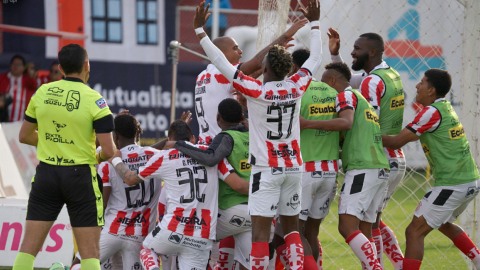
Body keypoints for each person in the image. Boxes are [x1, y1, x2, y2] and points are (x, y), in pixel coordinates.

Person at [194, 1, 321, 268]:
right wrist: (316, 24)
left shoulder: (255, 90)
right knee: (292, 230)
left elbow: (220, 60)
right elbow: (316, 59)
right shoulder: (298, 85)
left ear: (264, 69)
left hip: (264, 168)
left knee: (259, 234)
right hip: (294, 167)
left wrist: (199, 32)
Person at [14, 44, 116, 270]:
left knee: (27, 250)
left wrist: (55, 142)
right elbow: (109, 151)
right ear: (86, 65)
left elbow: (25, 136)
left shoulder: (42, 92)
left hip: (46, 175)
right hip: (80, 177)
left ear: (60, 68)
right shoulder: (95, 100)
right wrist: (94, 155)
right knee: (89, 255)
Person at [381, 69, 480, 270]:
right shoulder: (444, 108)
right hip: (469, 180)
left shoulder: (430, 113)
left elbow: (396, 142)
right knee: (441, 223)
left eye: (422, 82)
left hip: (453, 183)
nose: (417, 86)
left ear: (431, 90)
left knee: (414, 231)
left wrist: (364, 131)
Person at [109, 120, 235, 270]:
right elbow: (238, 184)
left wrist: (115, 159)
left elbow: (129, 178)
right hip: (201, 235)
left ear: (169, 141)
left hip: (173, 229)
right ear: (193, 139)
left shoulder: (165, 157)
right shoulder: (212, 155)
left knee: (147, 249)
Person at [329, 29, 406, 268]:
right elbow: (347, 81)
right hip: (393, 158)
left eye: (357, 49)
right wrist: (335, 57)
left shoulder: (372, 81)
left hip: (376, 157)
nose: (353, 52)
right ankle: (396, 265)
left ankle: (381, 265)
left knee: (360, 225)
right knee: (373, 224)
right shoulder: (389, 74)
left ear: (372, 52)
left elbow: (366, 119)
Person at [301, 62, 388, 269]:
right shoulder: (363, 100)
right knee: (364, 229)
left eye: (325, 84)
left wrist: (307, 124)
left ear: (332, 80)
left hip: (362, 167)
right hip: (378, 168)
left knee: (347, 226)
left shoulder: (345, 96)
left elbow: (346, 123)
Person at [271, 49, 339, 270]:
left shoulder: (296, 91)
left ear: (292, 67)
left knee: (293, 232)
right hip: (330, 171)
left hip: (305, 170)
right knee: (311, 232)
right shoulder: (332, 91)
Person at [166, 98, 251, 269]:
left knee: (189, 236)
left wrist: (179, 144)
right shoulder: (253, 134)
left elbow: (210, 158)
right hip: (255, 211)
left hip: (229, 210)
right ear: (242, 118)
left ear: (218, 117)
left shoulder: (225, 138)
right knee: (249, 264)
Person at [194, 15, 305, 145]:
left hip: (206, 142)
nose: (240, 51)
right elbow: (256, 63)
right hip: (222, 145)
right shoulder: (221, 73)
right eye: (235, 48)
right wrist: (284, 36)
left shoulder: (203, 75)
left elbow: (247, 78)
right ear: (220, 53)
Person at [0, 54, 38, 122]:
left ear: (24, 67)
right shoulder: (2, 78)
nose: (16, 66)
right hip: (3, 120)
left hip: (21, 121)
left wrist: (31, 75)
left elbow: (35, 85)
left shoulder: (28, 80)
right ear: (10, 65)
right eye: (14, 63)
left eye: (19, 64)